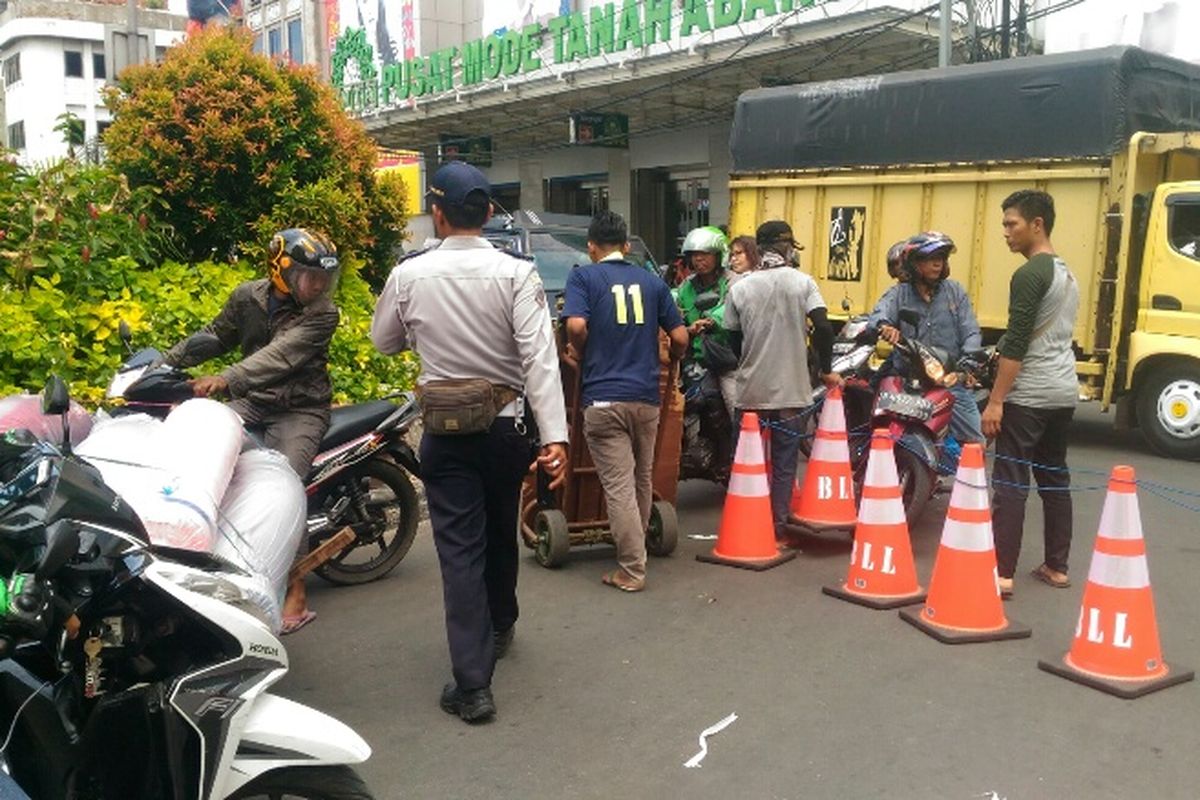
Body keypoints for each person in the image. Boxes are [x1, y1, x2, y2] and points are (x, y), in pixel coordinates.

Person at [370, 161, 568, 724]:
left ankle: (472, 685)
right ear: (486, 213)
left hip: (445, 434)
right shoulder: (517, 273)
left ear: (436, 213)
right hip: (509, 429)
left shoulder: (409, 275)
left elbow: (384, 341)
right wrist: (554, 437)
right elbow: (539, 359)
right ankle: (501, 623)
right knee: (502, 523)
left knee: (459, 552)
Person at [164, 227, 341, 636]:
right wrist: (165, 364)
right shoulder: (248, 297)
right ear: (280, 271)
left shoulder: (322, 313)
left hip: (300, 409)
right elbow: (214, 336)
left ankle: (295, 588)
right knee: (206, 456)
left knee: (285, 487)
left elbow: (280, 357)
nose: (318, 286)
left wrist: (225, 378)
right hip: (252, 403)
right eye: (309, 276)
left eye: (323, 278)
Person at [561, 211, 688, 593]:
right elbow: (679, 337)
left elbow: (576, 326)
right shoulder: (652, 282)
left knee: (617, 486)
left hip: (603, 399)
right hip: (646, 399)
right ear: (627, 247)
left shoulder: (583, 276)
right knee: (641, 478)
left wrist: (579, 350)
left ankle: (632, 570)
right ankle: (637, 550)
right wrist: (674, 357)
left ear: (591, 247)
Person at [983, 190, 1079, 599]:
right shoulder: (1065, 272)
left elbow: (1019, 342)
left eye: (1012, 224)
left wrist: (996, 400)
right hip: (1063, 392)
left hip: (1030, 394)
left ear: (1036, 225)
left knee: (1010, 480)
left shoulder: (1029, 274)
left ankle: (1001, 573)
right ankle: (1056, 566)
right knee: (1054, 477)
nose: (1005, 232)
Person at [725, 220, 839, 547]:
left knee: (745, 461)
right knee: (785, 463)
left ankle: (743, 524)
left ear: (758, 250)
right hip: (792, 392)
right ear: (788, 249)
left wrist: (747, 361)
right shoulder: (803, 283)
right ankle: (776, 529)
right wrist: (825, 370)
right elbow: (824, 328)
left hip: (750, 392)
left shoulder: (740, 288)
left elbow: (732, 337)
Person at [868, 231, 985, 452]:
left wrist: (969, 363)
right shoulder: (898, 294)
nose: (937, 264)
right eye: (931, 258)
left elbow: (971, 331)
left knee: (974, 442)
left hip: (948, 379)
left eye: (941, 258)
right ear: (913, 263)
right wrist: (885, 326)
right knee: (875, 423)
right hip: (907, 378)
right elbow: (878, 315)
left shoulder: (955, 292)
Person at [675, 226, 738, 417]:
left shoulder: (732, 281)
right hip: (696, 358)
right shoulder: (687, 286)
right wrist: (687, 328)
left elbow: (730, 307)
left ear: (719, 255)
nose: (699, 259)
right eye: (694, 254)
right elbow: (676, 312)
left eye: (705, 254)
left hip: (726, 359)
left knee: (735, 408)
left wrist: (713, 320)